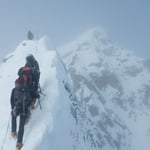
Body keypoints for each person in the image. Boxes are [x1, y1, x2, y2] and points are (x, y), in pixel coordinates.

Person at [11, 79, 32, 149]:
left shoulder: (14, 90)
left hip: (17, 108)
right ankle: (19, 143)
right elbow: (29, 101)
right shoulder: (27, 90)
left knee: (13, 115)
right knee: (21, 126)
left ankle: (13, 131)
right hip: (24, 109)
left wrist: (13, 108)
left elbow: (11, 100)